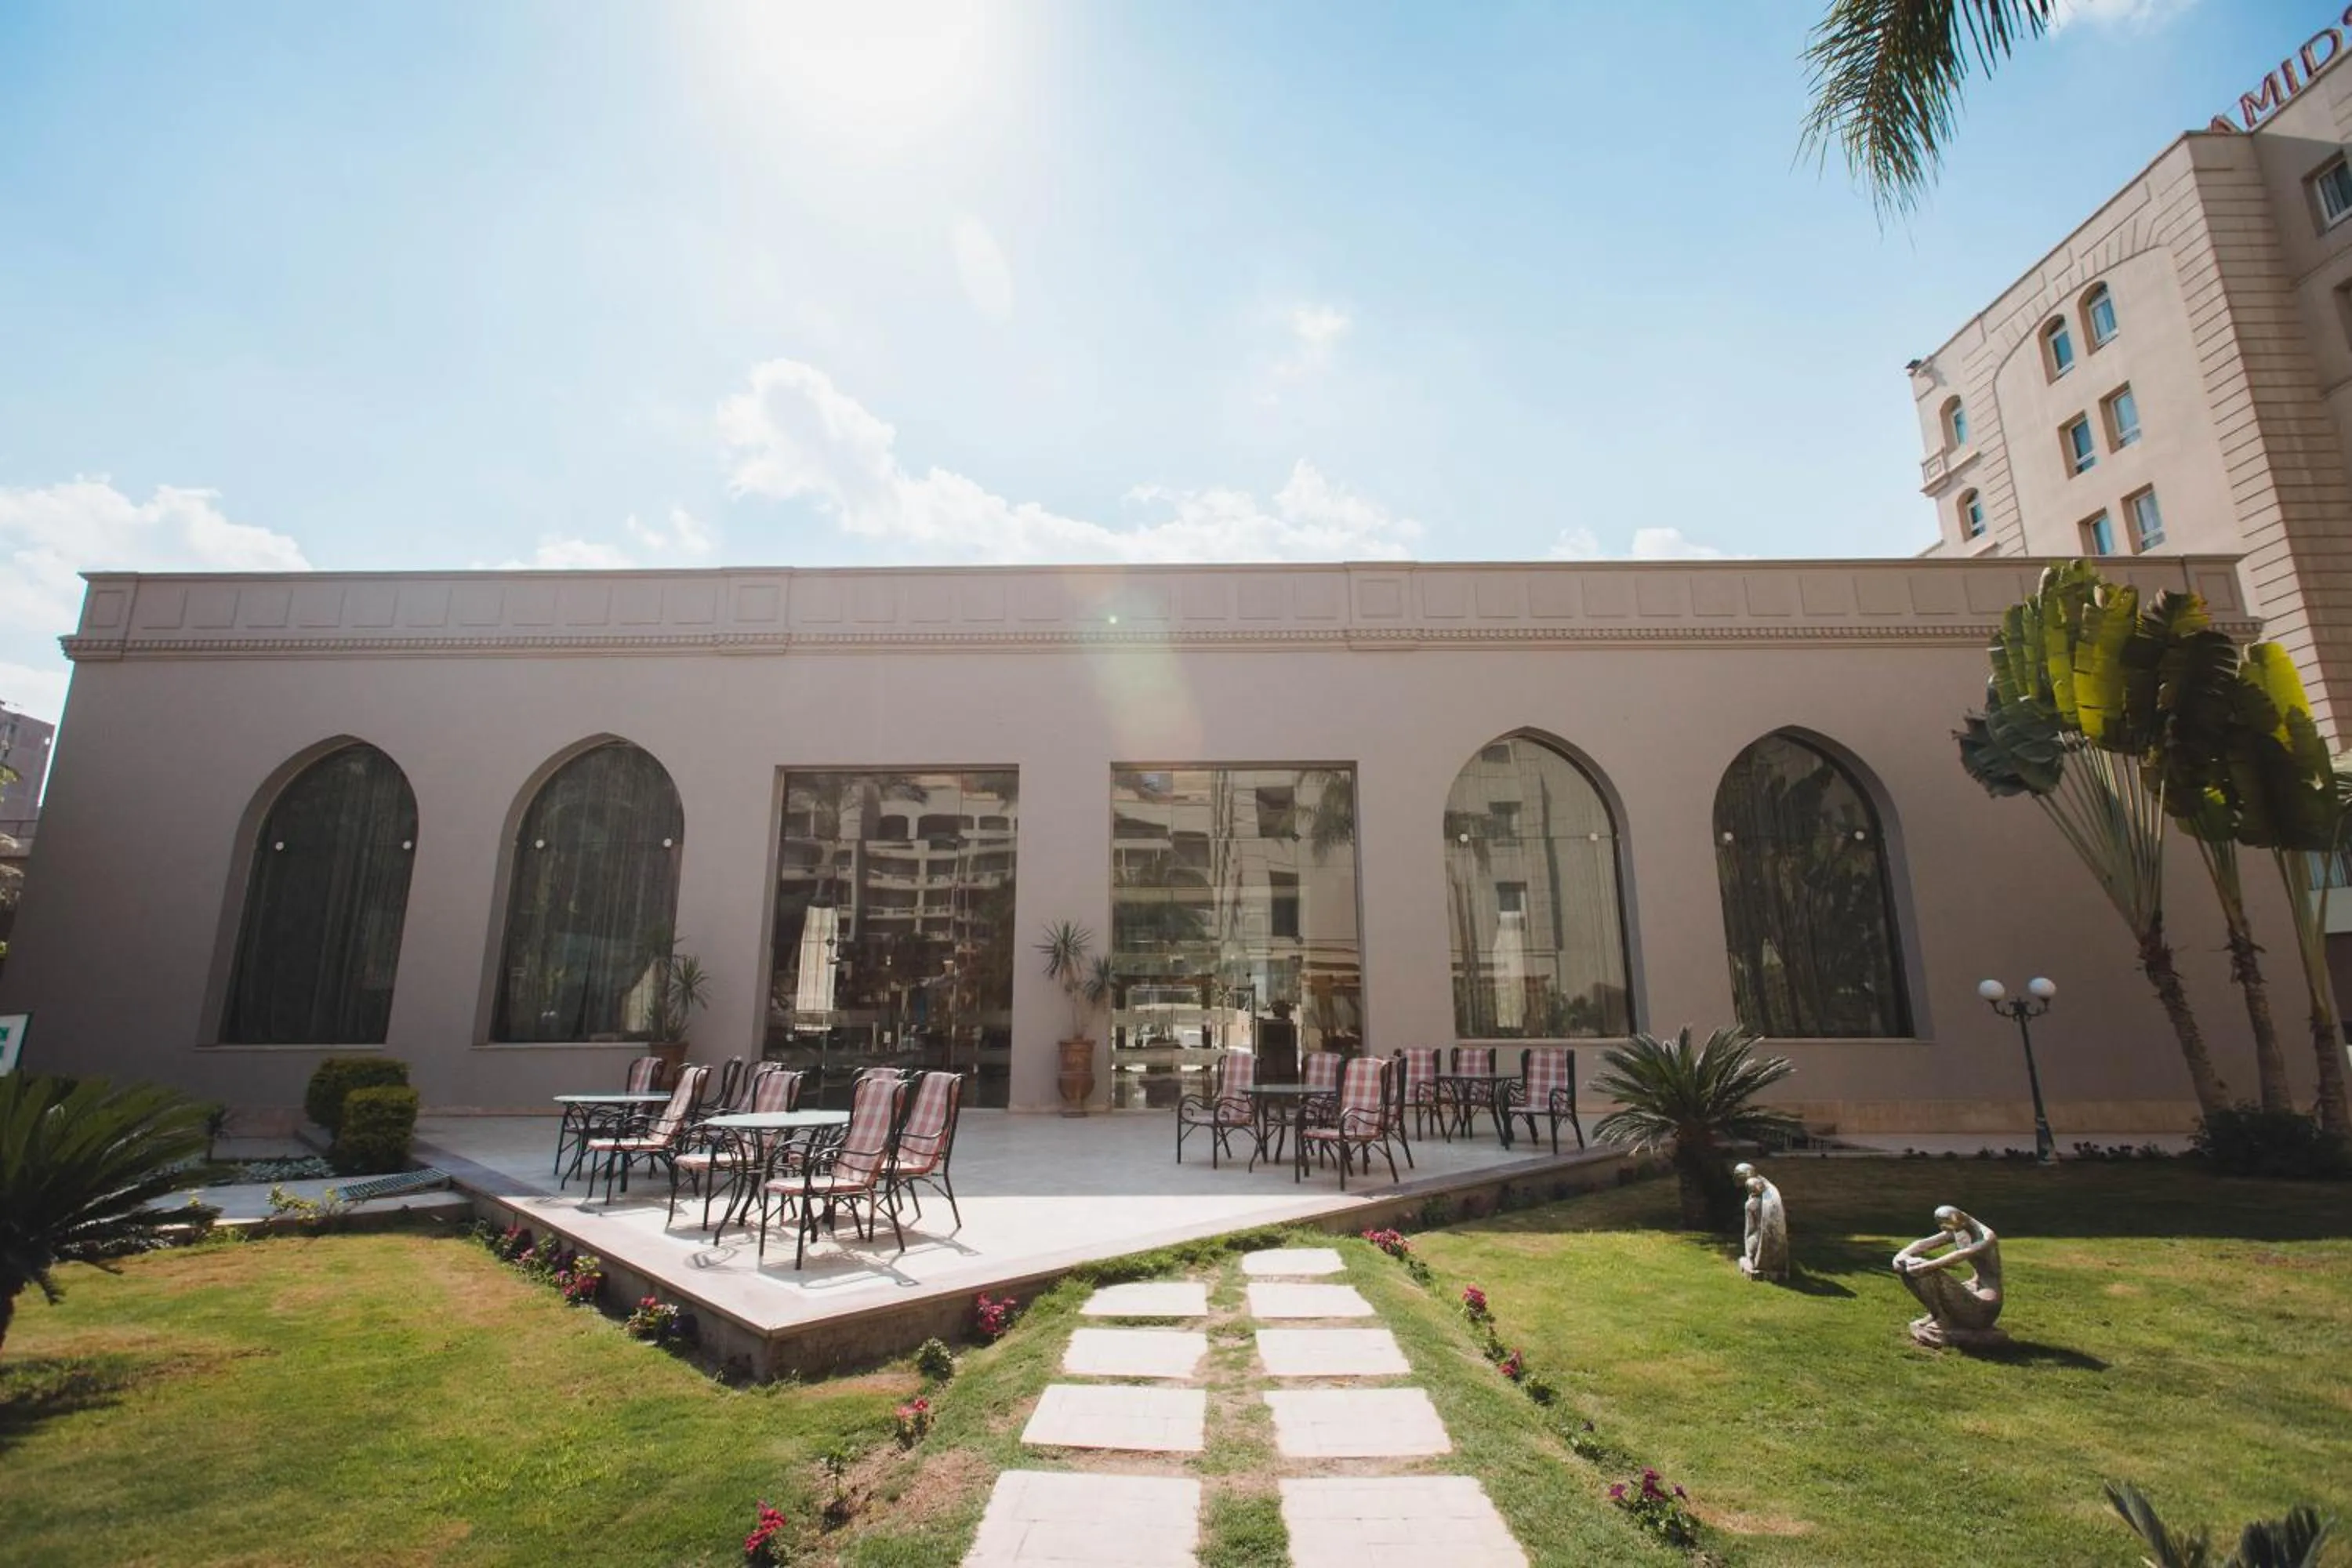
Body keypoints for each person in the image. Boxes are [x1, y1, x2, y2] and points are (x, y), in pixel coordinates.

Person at [1892, 1205, 2005, 1346]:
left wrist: (1926, 1266)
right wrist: (1902, 1256)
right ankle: (1938, 1314)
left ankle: (1944, 1319)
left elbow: (1961, 1254)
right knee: (1906, 1269)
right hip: (1973, 1286)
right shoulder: (1962, 1228)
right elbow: (1923, 1244)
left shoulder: (1986, 1237)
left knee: (1928, 1272)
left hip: (1985, 1308)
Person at [1733, 1162, 1788, 1281]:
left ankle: (1753, 1261)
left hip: (1757, 1232)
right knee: (1754, 1240)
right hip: (1761, 1230)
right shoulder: (1765, 1196)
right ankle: (1759, 1261)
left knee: (1752, 1241)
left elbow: (1751, 1225)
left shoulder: (1752, 1203)